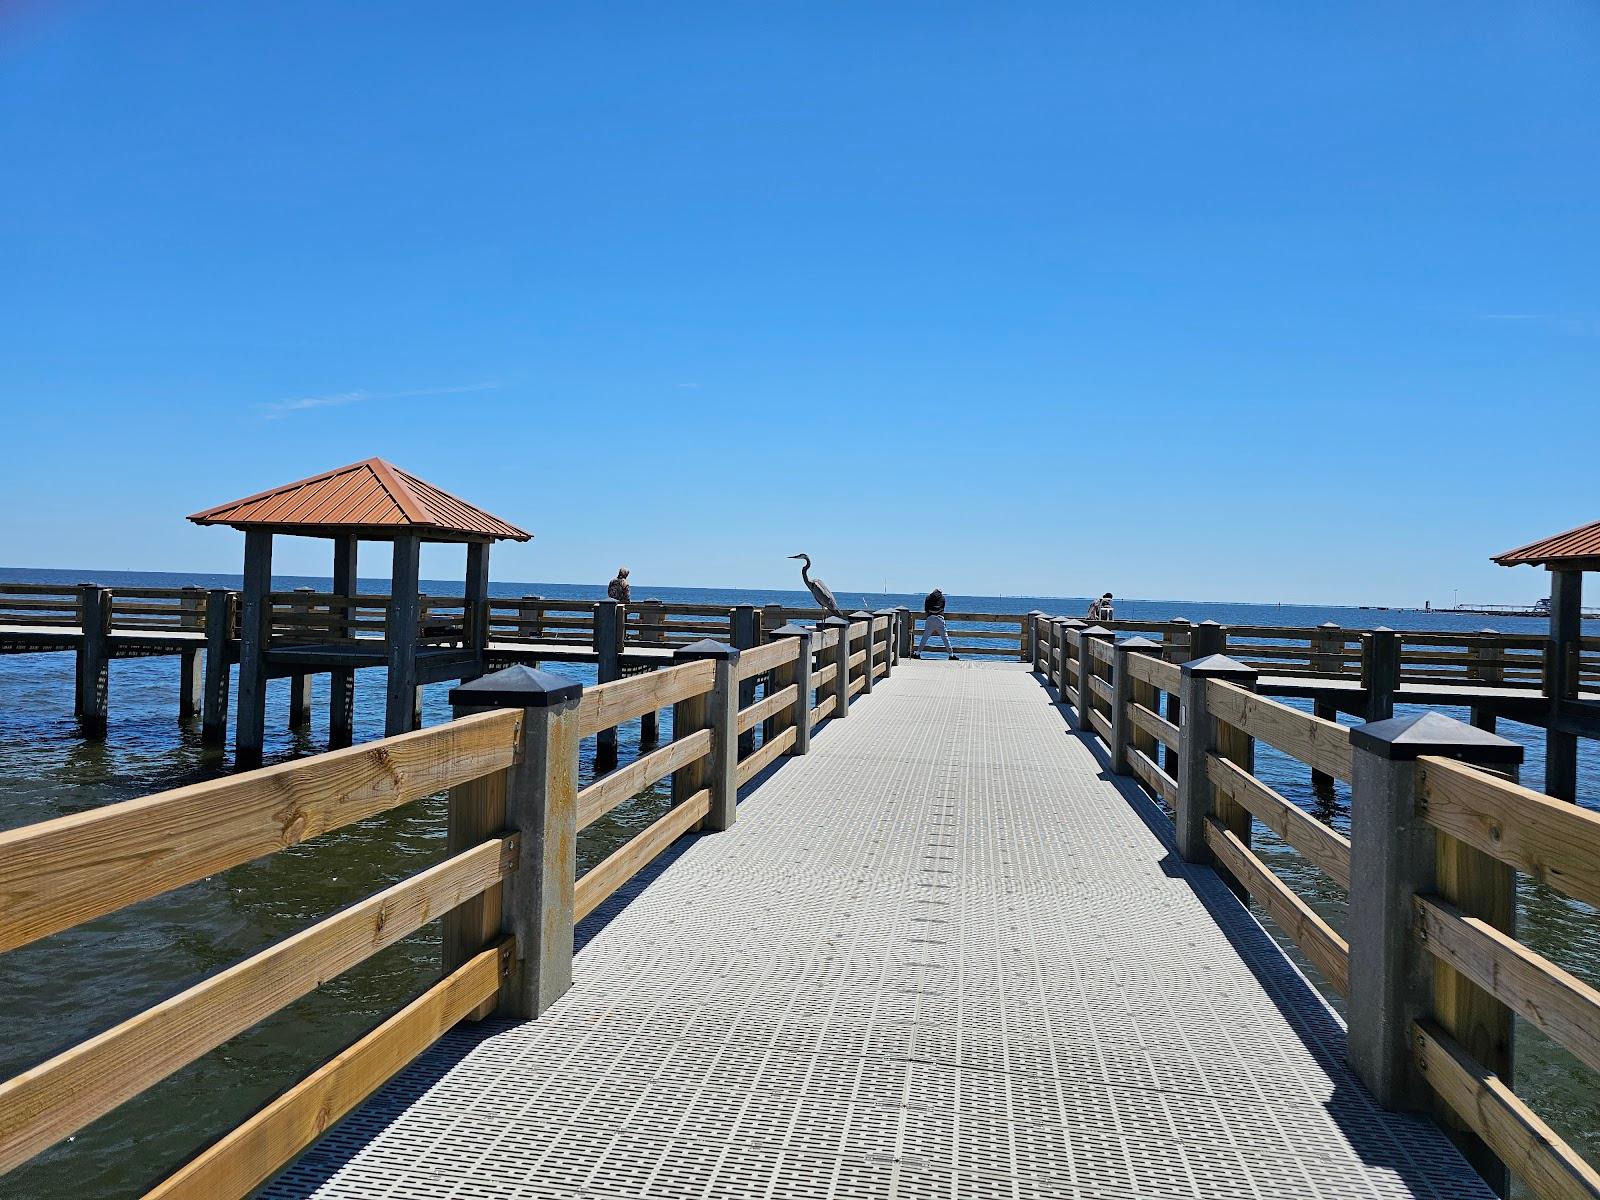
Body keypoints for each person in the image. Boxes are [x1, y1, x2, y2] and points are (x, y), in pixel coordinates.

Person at [914, 587, 958, 660]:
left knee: (925, 637)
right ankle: (951, 655)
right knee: (945, 638)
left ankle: (918, 653)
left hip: (930, 618)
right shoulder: (942, 598)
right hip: (940, 618)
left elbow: (926, 609)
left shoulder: (928, 597)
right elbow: (943, 608)